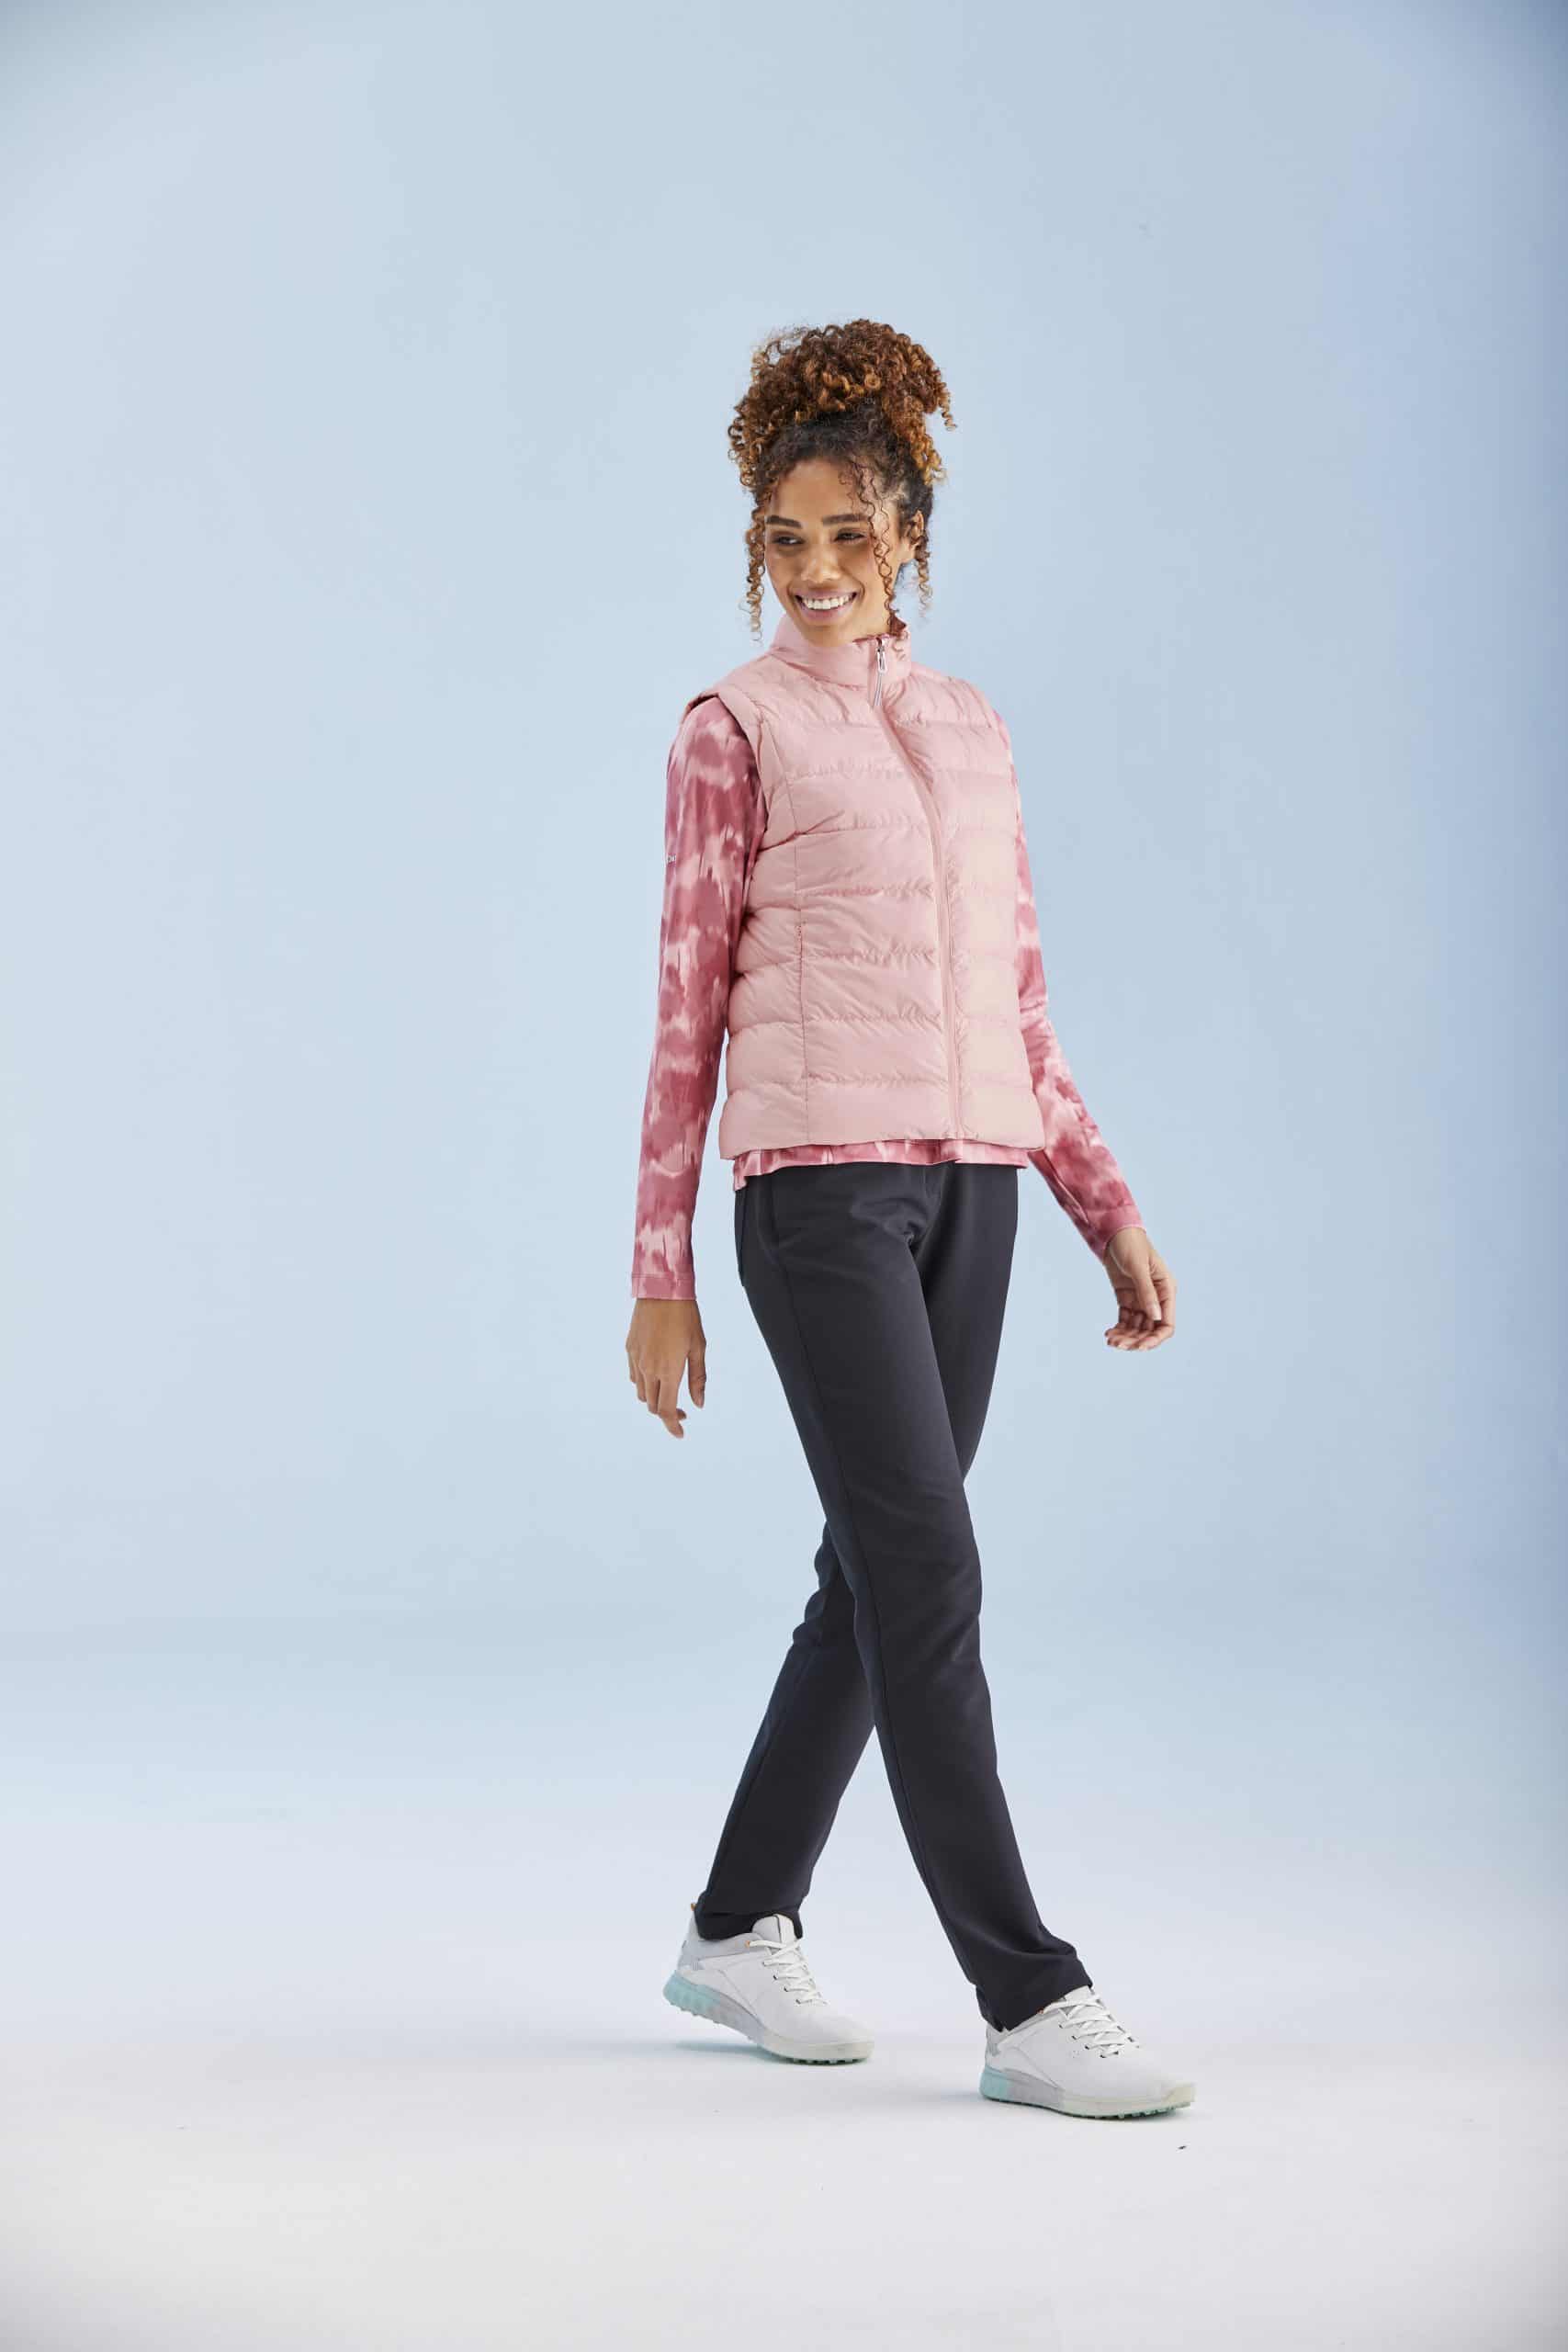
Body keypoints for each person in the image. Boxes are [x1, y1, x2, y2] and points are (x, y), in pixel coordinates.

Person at [624, 319, 1193, 2120]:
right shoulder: (730, 731)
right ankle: (1029, 1996)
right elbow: (683, 1010)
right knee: (928, 1569)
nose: (814, 570)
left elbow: (1019, 1002)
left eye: (848, 535)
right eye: (782, 538)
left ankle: (736, 1921)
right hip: (816, 1196)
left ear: (908, 536)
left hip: (976, 1189)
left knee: (871, 1571)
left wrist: (1100, 1201)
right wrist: (657, 1269)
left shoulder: (969, 727)